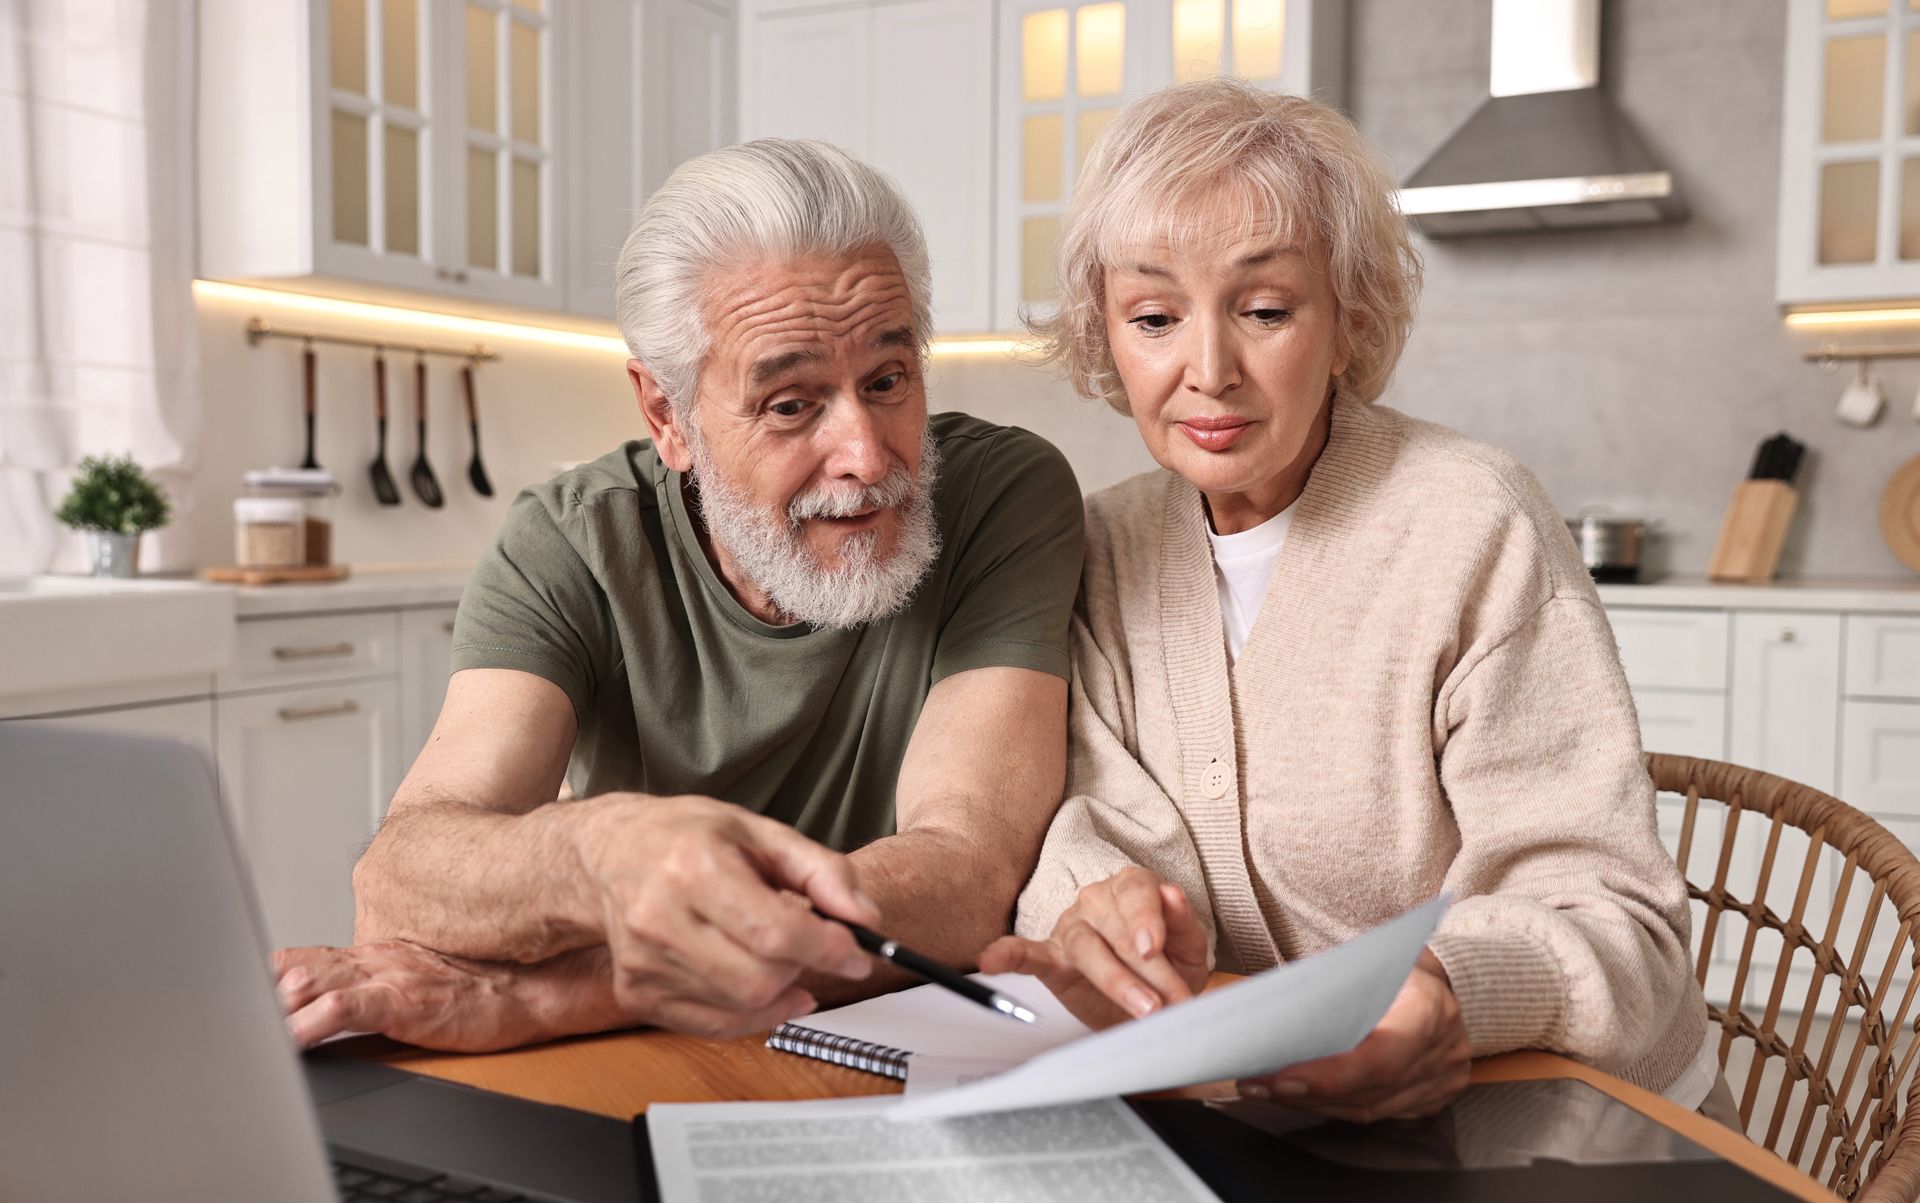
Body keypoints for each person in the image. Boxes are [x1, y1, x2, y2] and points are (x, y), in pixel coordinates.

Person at [979, 80, 1727, 1124]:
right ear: (1107, 336)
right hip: (1274, 1125)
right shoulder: (1098, 546)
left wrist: (1448, 992)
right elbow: (1089, 831)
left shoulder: (1472, 520)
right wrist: (1101, 913)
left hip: (1560, 1126)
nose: (1209, 371)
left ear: (1348, 320)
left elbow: (1616, 924)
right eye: (1154, 316)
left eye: (1266, 310)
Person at [273, 139, 1084, 1051]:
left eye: (889, 381)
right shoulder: (576, 541)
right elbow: (401, 881)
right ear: (668, 418)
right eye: (791, 404)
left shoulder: (1000, 494)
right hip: (650, 1061)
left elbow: (964, 877)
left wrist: (558, 993)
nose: (865, 453)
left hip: (905, 1037)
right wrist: (604, 853)